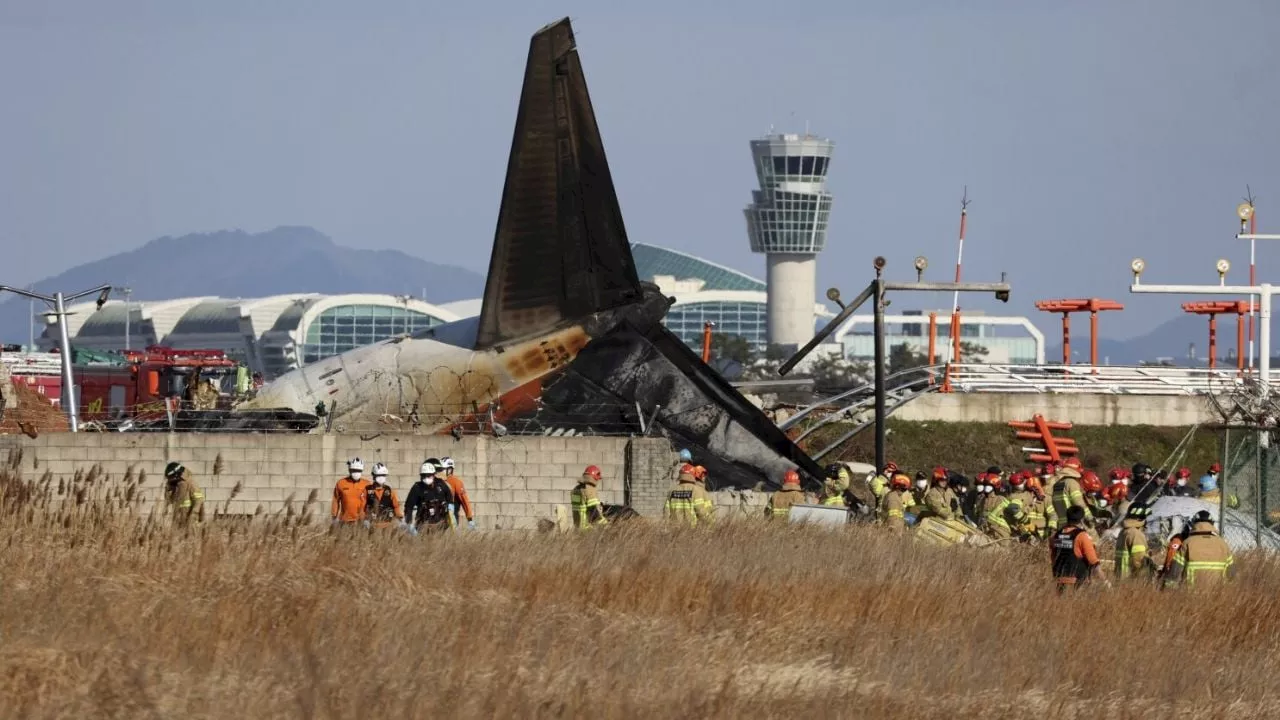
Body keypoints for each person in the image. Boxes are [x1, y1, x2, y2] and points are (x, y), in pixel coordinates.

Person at [1163, 510, 1235, 588]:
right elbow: (1232, 575)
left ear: (1194, 524)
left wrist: (1167, 590)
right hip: (1218, 594)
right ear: (1212, 524)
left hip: (1191, 595)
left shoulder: (1187, 543)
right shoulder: (1223, 544)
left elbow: (1174, 572)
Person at [1051, 506, 1104, 592]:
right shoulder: (1082, 536)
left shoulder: (1056, 535)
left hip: (1059, 581)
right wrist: (1105, 581)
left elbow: (1054, 558)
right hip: (1077, 582)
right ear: (1081, 520)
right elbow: (1093, 561)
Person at [405, 460, 457, 533]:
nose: (426, 478)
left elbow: (449, 496)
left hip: (441, 526)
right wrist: (409, 524)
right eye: (424, 475)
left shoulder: (440, 484)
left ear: (433, 474)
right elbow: (409, 507)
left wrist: (451, 509)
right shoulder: (417, 488)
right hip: (423, 526)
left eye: (428, 475)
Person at [439, 456, 476, 530]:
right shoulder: (437, 481)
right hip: (437, 516)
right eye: (440, 469)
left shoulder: (456, 482)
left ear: (449, 470)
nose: (441, 472)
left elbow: (464, 501)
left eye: (443, 469)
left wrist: (470, 519)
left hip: (451, 516)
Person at [1115, 505, 1151, 580]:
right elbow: (1139, 560)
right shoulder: (1135, 534)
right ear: (1140, 518)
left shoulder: (1123, 532)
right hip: (1131, 579)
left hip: (1120, 577)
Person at [332, 457, 371, 526]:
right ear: (349, 470)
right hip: (345, 521)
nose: (356, 472)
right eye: (354, 470)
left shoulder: (367, 484)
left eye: (358, 470)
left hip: (361, 521)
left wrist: (369, 518)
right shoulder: (341, 483)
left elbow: (372, 502)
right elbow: (336, 500)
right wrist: (334, 517)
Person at [364, 462, 403, 528]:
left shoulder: (390, 490)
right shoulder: (367, 490)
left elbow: (396, 506)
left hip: (388, 525)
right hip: (372, 525)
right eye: (379, 475)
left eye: (383, 475)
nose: (381, 477)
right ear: (374, 476)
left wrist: (400, 517)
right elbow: (362, 506)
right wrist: (363, 519)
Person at [570, 465, 609, 530]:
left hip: (578, 527)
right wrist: (607, 525)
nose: (598, 481)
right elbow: (594, 513)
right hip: (588, 529)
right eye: (597, 478)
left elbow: (583, 506)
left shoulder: (576, 489)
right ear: (594, 477)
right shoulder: (590, 489)